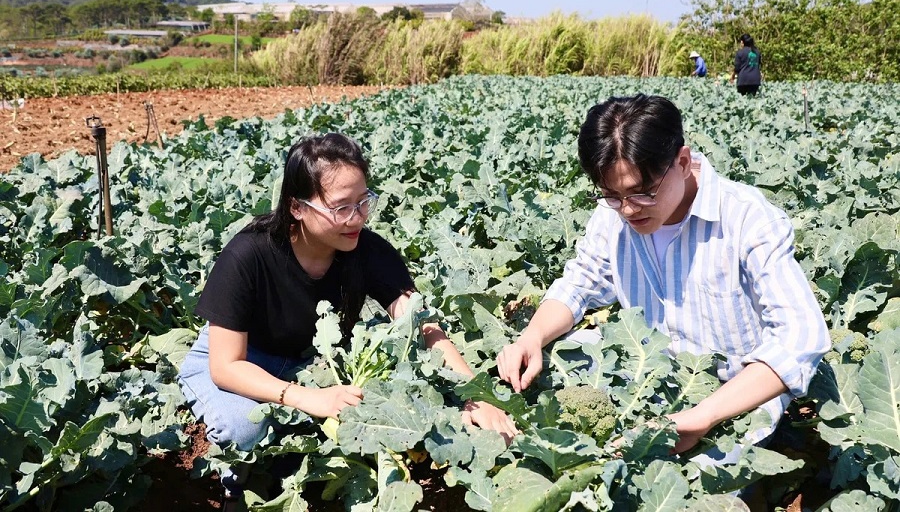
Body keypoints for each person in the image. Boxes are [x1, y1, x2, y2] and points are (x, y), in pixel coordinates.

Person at [178, 133, 516, 503]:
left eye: (363, 202)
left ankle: (280, 465)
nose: (357, 218)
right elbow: (225, 366)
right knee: (244, 429)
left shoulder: (368, 251)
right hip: (238, 359)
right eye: (341, 208)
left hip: (311, 363)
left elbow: (422, 325)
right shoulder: (248, 255)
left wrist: (475, 396)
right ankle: (234, 485)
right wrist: (307, 398)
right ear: (296, 207)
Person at [497, 95, 829, 460]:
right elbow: (580, 283)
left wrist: (702, 417)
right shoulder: (612, 216)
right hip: (648, 378)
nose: (627, 210)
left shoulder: (748, 219)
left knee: (690, 483)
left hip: (732, 399)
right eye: (611, 195)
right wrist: (532, 336)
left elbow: (801, 337)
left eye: (642, 193)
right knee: (556, 353)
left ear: (682, 162)